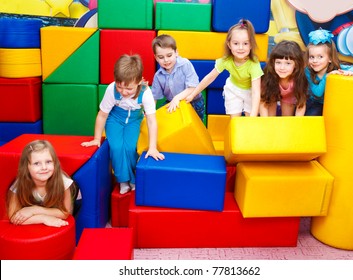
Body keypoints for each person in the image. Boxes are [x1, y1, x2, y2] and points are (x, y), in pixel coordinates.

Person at [81, 54, 165, 194]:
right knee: (116, 147)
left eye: (129, 89)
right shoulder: (112, 89)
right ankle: (123, 181)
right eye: (120, 87)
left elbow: (151, 121)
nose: (124, 92)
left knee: (131, 147)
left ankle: (133, 180)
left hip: (134, 120)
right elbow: (102, 115)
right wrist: (96, 139)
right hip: (115, 119)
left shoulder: (146, 93)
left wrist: (152, 147)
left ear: (138, 82)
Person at [186, 19, 263, 117]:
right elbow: (209, 78)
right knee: (235, 120)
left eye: (245, 43)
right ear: (229, 44)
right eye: (236, 43)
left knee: (250, 118)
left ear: (251, 45)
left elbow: (256, 92)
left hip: (250, 91)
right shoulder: (226, 60)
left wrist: (253, 116)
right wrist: (193, 95)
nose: (240, 48)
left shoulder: (253, 64)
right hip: (234, 89)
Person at [7, 140, 77, 227]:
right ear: (26, 167)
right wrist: (43, 218)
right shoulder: (20, 184)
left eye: (48, 162)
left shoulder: (63, 182)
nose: (44, 167)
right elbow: (13, 217)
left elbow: (65, 213)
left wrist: (34, 210)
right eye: (37, 163)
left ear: (55, 163)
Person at [304, 28, 353, 116]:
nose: (315, 61)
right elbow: (317, 93)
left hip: (334, 103)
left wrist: (351, 72)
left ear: (330, 58)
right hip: (316, 102)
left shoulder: (337, 68)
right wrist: (327, 77)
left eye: (320, 57)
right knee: (311, 115)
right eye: (312, 57)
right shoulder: (308, 71)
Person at [151, 34, 205, 121]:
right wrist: (150, 113)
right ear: (156, 58)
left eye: (169, 55)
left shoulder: (185, 64)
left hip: (193, 101)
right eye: (161, 57)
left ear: (176, 52)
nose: (166, 60)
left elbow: (193, 87)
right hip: (172, 101)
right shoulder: (158, 76)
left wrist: (177, 98)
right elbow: (154, 98)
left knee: (194, 128)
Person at [260, 40, 308, 116]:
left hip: (288, 97)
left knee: (287, 119)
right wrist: (266, 123)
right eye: (278, 62)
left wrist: (298, 124)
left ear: (296, 64)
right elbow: (263, 101)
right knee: (269, 117)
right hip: (271, 94)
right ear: (273, 62)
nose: (282, 67)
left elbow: (301, 104)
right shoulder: (269, 75)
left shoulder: (299, 78)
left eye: (288, 63)